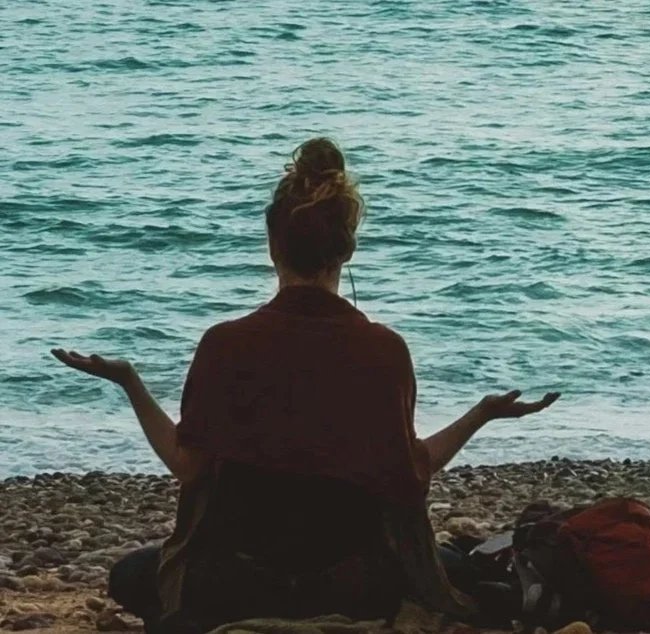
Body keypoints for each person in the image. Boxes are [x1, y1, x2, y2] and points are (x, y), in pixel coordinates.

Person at [50, 138, 560, 634]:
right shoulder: (384, 350)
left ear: (272, 244)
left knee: (131, 575)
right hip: (353, 586)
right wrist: (479, 415)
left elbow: (189, 467)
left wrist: (130, 382)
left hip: (234, 582)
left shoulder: (226, 343)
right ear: (347, 249)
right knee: (454, 564)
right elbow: (411, 474)